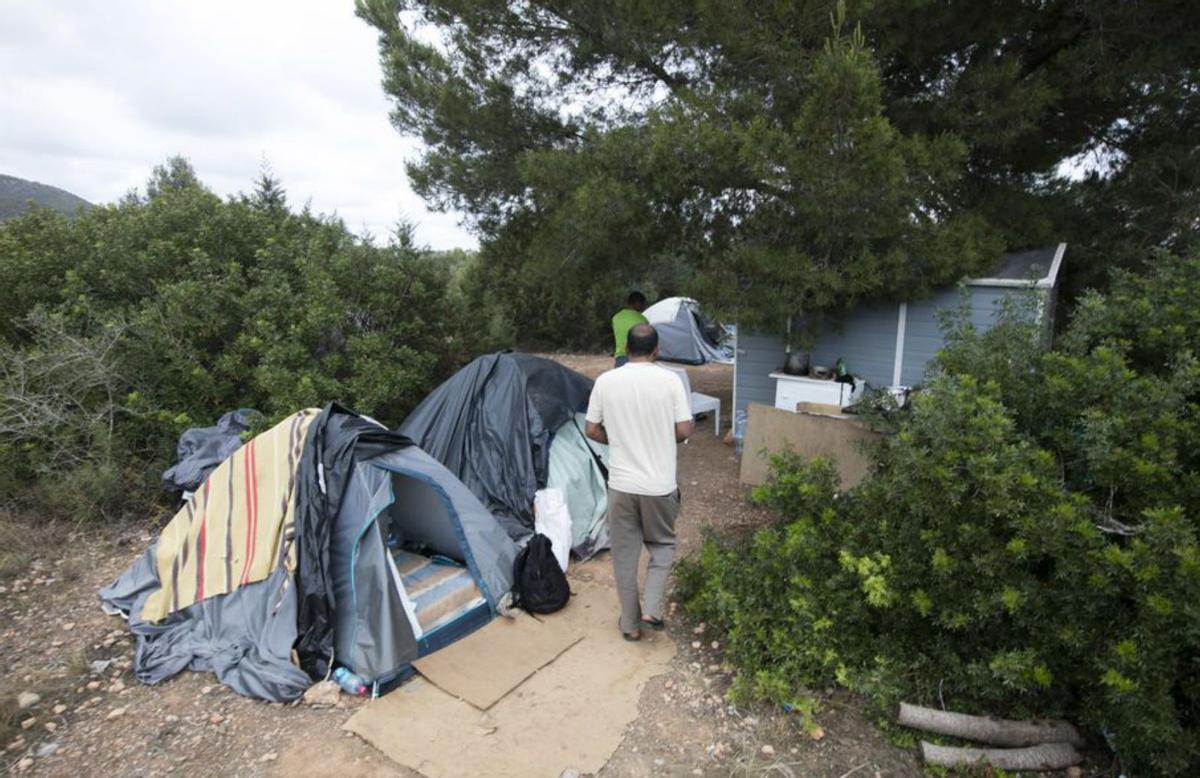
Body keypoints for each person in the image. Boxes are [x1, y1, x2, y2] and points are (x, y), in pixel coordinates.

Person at [585, 323, 693, 641]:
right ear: (656, 350)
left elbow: (591, 429)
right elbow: (685, 430)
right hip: (659, 486)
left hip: (621, 485)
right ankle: (652, 609)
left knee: (624, 554)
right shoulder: (670, 380)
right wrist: (661, 438)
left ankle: (630, 625)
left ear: (626, 348)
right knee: (662, 546)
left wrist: (617, 440)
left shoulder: (606, 381)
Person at [611, 291, 648, 368]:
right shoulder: (643, 319)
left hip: (619, 357)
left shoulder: (616, 317)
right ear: (638, 303)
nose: (643, 307)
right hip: (636, 357)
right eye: (643, 304)